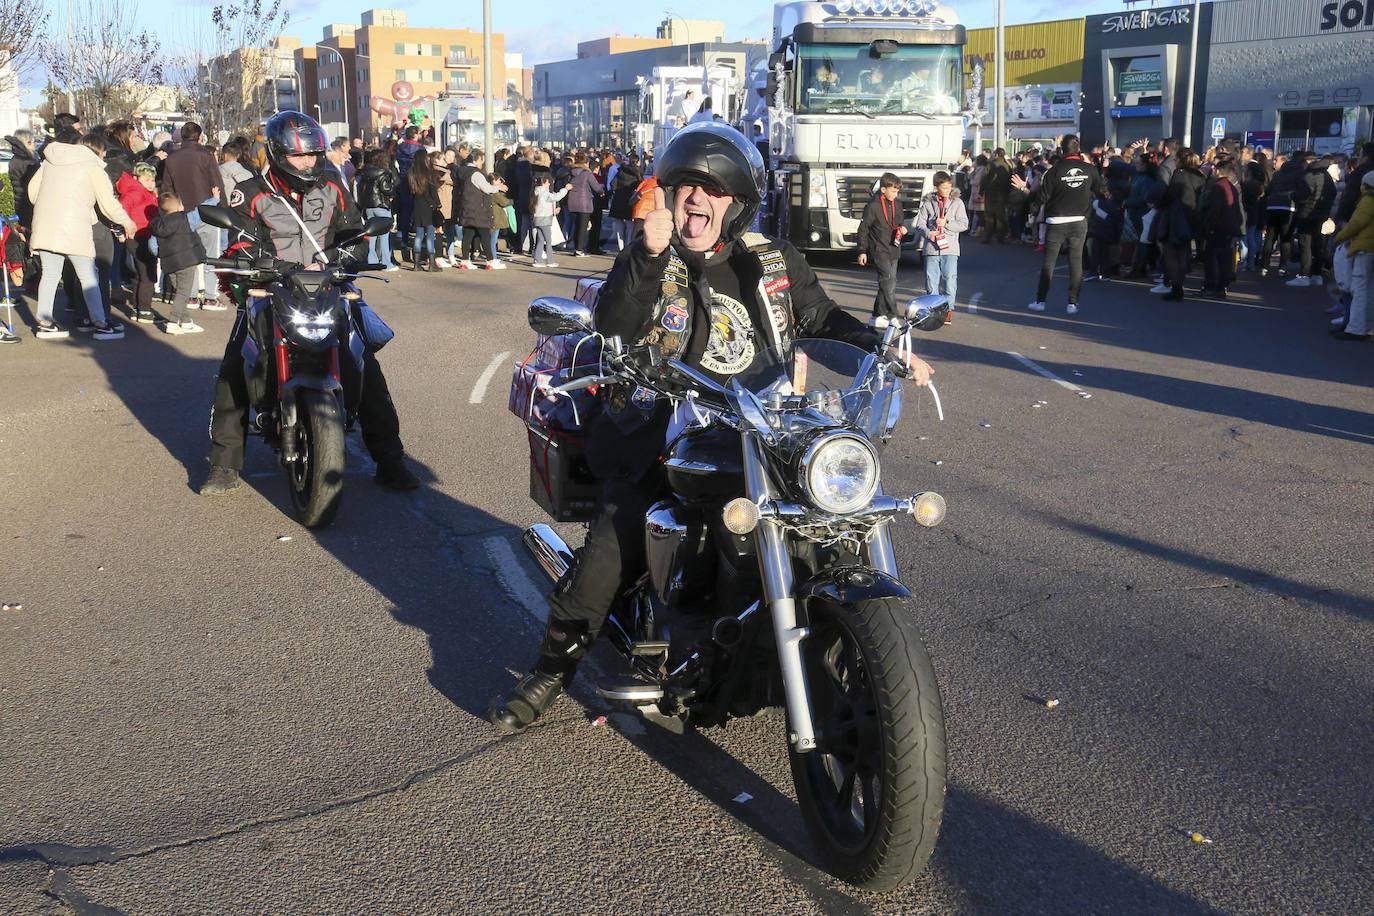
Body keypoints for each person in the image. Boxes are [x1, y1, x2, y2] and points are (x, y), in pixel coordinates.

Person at [487, 123, 934, 735]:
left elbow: (821, 317)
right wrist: (645, 255)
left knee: (835, 511)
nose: (697, 199)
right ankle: (550, 671)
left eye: (712, 189)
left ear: (736, 201)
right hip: (663, 424)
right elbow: (613, 321)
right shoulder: (650, 257)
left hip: (767, 425)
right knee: (613, 544)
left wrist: (882, 350)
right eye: (685, 187)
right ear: (668, 195)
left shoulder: (772, 261)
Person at [199, 110, 419, 497]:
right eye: (299, 156)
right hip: (269, 287)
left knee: (364, 367)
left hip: (326, 285)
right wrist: (255, 263)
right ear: (279, 154)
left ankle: (391, 460)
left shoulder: (334, 183)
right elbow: (238, 239)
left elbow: (353, 230)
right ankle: (223, 465)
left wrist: (348, 254)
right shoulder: (251, 191)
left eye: (313, 155)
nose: (307, 163)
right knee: (235, 367)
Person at [26, 126, 137, 340]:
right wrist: (127, 222)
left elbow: (32, 192)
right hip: (74, 227)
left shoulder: (50, 160)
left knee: (50, 275)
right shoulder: (92, 166)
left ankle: (45, 322)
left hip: (45, 225)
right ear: (98, 151)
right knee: (88, 276)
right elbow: (108, 204)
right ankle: (101, 323)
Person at [1020, 135, 1100, 315]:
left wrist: (1027, 195)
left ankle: (1040, 300)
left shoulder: (1054, 171)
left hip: (1056, 221)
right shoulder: (1090, 169)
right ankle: (1073, 302)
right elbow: (1100, 189)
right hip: (1079, 221)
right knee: (1076, 262)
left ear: (1062, 150)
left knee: (1049, 263)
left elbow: (1042, 197)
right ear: (1078, 149)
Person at [162, 121, 226, 307]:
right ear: (200, 137)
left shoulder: (172, 159)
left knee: (188, 256)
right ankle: (209, 297)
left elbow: (167, 187)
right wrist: (223, 208)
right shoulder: (205, 155)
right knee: (210, 256)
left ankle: (188, 295)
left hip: (183, 212)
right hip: (207, 211)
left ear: (182, 137)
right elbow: (217, 183)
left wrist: (167, 211)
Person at [149, 190, 207, 334]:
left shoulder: (157, 225)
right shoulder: (186, 218)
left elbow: (152, 245)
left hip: (169, 264)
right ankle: (173, 322)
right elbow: (202, 211)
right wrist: (215, 198)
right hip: (186, 262)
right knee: (183, 293)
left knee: (180, 293)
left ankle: (186, 322)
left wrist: (162, 254)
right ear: (179, 206)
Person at [913, 170, 967, 318]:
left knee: (950, 280)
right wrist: (929, 233)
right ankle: (933, 310)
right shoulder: (928, 203)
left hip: (950, 248)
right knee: (931, 281)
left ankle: (948, 309)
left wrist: (947, 223)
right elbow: (919, 225)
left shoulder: (957, 203)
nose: (947, 190)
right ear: (936, 187)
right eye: (944, 188)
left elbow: (964, 224)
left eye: (949, 187)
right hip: (931, 248)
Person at [856, 172, 907, 327]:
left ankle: (877, 315)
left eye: (897, 191)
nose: (895, 194)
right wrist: (862, 251)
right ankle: (893, 315)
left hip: (894, 248)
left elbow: (899, 222)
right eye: (893, 191)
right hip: (879, 249)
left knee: (887, 283)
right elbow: (863, 229)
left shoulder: (897, 204)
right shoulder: (873, 206)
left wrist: (902, 229)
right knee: (889, 280)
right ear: (883, 189)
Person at [1155, 149, 1207, 302]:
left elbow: (1171, 194)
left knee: (1171, 252)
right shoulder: (1201, 175)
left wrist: (1159, 202)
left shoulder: (1179, 174)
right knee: (1184, 252)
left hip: (1177, 217)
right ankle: (1180, 283)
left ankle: (1176, 287)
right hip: (1193, 217)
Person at [115, 162, 162, 326]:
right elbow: (121, 208)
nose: (150, 183)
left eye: (152, 180)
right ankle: (144, 309)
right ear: (136, 178)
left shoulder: (142, 192)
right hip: (140, 236)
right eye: (147, 179)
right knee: (147, 275)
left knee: (140, 274)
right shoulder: (136, 192)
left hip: (142, 235)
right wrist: (123, 228)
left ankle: (138, 307)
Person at [1330, 171, 1374, 341]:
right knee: (1370, 290)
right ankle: (1368, 327)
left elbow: (1356, 223)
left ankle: (1355, 328)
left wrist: (1339, 237)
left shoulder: (1368, 201)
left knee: (1359, 289)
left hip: (1364, 249)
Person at [1288, 150, 1336, 288]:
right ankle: (1317, 275)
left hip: (1307, 214)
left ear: (1306, 162)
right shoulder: (1326, 175)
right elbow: (1332, 192)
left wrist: (1292, 196)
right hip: (1322, 214)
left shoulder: (1309, 175)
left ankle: (1304, 275)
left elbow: (1302, 195)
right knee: (1318, 245)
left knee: (1305, 244)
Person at [1201, 160, 1243, 298]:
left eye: (1215, 168)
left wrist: (1210, 226)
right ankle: (1222, 286)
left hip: (1219, 227)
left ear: (1219, 171)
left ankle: (1212, 285)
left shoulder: (1218, 186)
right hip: (1230, 227)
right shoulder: (1231, 186)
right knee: (1225, 258)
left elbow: (1215, 210)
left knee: (1212, 257)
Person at [1260, 152, 1306, 277]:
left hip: (1272, 206)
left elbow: (1268, 191)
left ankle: (1264, 266)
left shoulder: (1277, 175)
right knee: (1285, 239)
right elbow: (1302, 192)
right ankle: (1283, 267)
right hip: (1288, 208)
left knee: (1270, 237)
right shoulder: (1298, 175)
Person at [456, 148, 502, 268]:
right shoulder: (475, 173)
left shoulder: (461, 171)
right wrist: (498, 188)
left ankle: (465, 260)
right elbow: (486, 188)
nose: (482, 163)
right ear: (476, 160)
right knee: (485, 234)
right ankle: (490, 261)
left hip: (466, 206)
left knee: (468, 234)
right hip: (478, 208)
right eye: (482, 160)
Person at [356, 149, 398, 272]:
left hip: (369, 206)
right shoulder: (384, 172)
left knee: (371, 235)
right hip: (381, 205)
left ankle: (371, 261)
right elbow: (386, 189)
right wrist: (393, 191)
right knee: (384, 236)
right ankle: (386, 263)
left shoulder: (364, 172)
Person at [406, 151, 441, 271]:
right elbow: (432, 191)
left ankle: (416, 264)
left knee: (419, 235)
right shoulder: (428, 173)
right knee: (430, 235)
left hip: (417, 206)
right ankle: (432, 264)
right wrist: (437, 204)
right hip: (428, 207)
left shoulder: (411, 173)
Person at [564, 152, 603, 258]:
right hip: (584, 203)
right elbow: (596, 187)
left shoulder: (570, 172)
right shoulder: (587, 174)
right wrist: (601, 191)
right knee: (583, 227)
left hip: (572, 201)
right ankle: (579, 249)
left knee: (577, 226)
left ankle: (576, 247)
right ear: (586, 163)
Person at [5, 129, 40, 229]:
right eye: (33, 141)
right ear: (27, 142)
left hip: (23, 203)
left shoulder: (21, 159)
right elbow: (32, 184)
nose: (35, 144)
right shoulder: (24, 161)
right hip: (27, 204)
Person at [979, 148, 1012, 243]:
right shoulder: (1007, 165)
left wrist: (981, 191)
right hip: (1003, 194)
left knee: (989, 215)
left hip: (991, 193)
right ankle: (1000, 237)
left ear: (996, 154)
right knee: (1000, 216)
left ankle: (988, 237)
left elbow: (984, 178)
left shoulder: (991, 164)